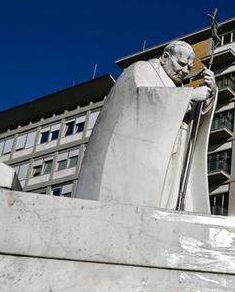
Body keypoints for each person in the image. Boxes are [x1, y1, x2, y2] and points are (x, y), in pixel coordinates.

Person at [75, 40, 216, 213]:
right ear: (165, 57)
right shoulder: (141, 70)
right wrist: (188, 96)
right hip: (142, 159)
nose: (185, 71)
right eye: (181, 64)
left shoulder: (176, 87)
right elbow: (141, 100)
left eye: (189, 67)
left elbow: (192, 120)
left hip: (173, 153)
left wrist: (210, 93)